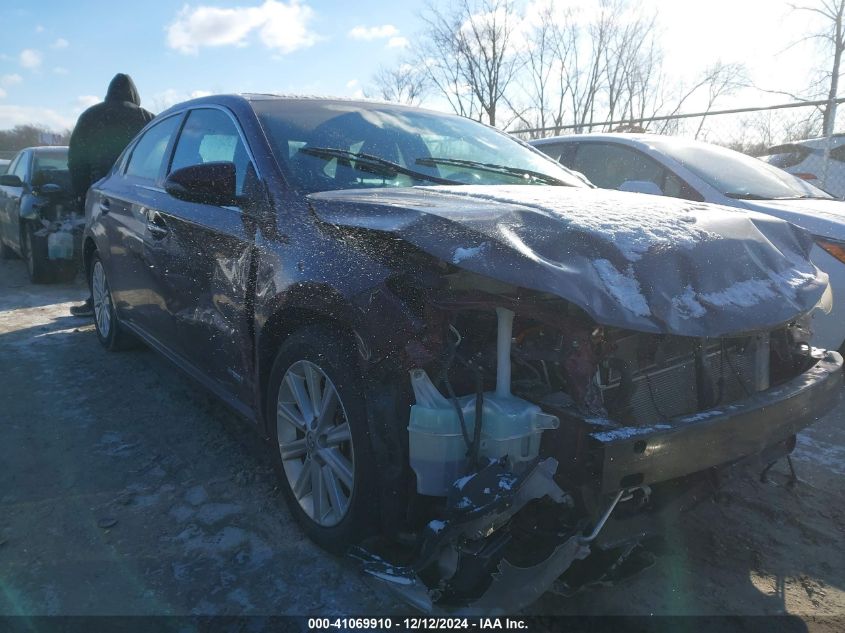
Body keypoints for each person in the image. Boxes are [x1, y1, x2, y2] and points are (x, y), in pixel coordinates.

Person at [68, 73, 154, 317]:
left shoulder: (90, 117)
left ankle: (99, 297)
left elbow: (76, 159)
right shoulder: (145, 117)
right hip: (139, 192)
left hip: (102, 190)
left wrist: (80, 192)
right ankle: (142, 298)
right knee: (137, 245)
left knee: (101, 245)